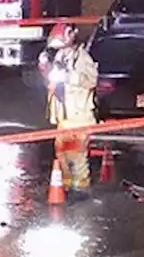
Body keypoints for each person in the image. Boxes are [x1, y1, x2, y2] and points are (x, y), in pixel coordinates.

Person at [37, 22, 99, 200]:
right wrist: (45, 68)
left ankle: (81, 189)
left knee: (77, 154)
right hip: (64, 115)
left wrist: (69, 77)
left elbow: (91, 80)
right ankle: (66, 185)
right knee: (62, 153)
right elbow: (52, 82)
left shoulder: (82, 57)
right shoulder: (60, 56)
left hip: (79, 114)